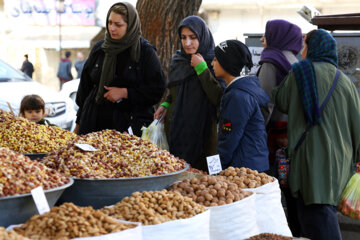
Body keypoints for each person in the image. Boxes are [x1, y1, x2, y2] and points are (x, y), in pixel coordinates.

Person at [273, 29, 360, 240]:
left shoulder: (301, 71)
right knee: (323, 212)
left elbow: (281, 100)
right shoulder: (345, 81)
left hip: (311, 161)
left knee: (318, 219)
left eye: (305, 46)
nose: (302, 51)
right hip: (340, 162)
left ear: (312, 48)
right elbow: (357, 125)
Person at [74, 2, 165, 137]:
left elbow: (157, 89)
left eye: (118, 24)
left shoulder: (144, 52)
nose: (112, 28)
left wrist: (125, 93)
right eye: (110, 23)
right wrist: (78, 124)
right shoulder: (100, 49)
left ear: (130, 25)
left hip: (128, 126)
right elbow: (85, 88)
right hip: (94, 123)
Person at [153, 16, 225, 172]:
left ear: (202, 37)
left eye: (193, 38)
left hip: (204, 136)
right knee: (179, 181)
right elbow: (173, 93)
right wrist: (165, 105)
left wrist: (202, 70)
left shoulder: (215, 62)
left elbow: (219, 98)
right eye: (183, 38)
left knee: (206, 185)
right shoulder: (178, 60)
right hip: (178, 132)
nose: (187, 43)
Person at [213, 39, 269, 172]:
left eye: (215, 59)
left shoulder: (237, 96)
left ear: (226, 63)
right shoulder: (245, 90)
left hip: (243, 170)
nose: (212, 63)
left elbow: (229, 138)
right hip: (253, 163)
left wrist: (216, 170)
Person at [257, 19, 302, 169]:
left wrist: (256, 130)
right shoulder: (298, 63)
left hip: (274, 133)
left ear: (277, 36)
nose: (261, 39)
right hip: (293, 132)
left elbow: (265, 102)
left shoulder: (271, 61)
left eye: (266, 34)